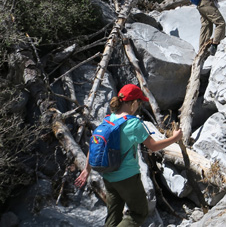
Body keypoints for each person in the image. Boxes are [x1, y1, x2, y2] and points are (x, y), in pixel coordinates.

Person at [74, 84, 182, 227]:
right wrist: (175, 138)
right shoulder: (133, 124)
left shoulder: (108, 119)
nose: (139, 106)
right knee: (139, 213)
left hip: (108, 176)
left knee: (114, 216)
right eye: (139, 102)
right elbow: (154, 146)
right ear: (133, 103)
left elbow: (94, 146)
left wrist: (87, 170)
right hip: (127, 178)